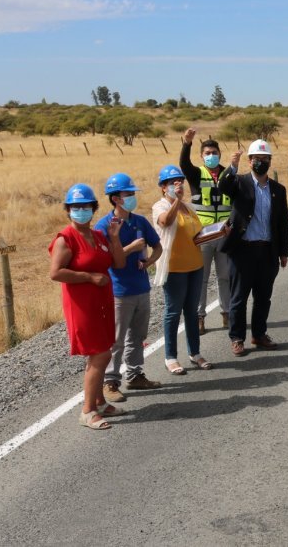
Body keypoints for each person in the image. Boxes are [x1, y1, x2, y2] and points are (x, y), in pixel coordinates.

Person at [48, 184, 126, 430]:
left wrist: (114, 238)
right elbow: (56, 273)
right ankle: (87, 410)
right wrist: (89, 278)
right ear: (68, 210)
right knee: (99, 354)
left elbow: (119, 263)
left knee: (105, 350)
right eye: (75, 207)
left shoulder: (100, 236)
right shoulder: (65, 239)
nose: (80, 211)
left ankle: (100, 402)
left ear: (93, 209)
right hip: (82, 305)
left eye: (85, 207)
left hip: (102, 301)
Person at [95, 173, 163, 404]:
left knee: (138, 335)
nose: (132, 197)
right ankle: (110, 381)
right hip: (119, 292)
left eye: (133, 193)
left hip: (141, 288)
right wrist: (130, 248)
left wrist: (150, 262)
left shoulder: (140, 221)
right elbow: (105, 261)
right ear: (115, 198)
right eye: (128, 194)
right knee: (116, 339)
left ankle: (134, 375)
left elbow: (158, 247)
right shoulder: (104, 226)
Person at [218, 139, 288, 356]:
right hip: (243, 250)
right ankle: (237, 338)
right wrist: (232, 167)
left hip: (267, 250)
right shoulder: (239, 182)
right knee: (239, 297)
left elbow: (283, 222)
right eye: (257, 159)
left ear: (270, 161)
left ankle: (259, 334)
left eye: (265, 159)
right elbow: (222, 186)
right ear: (249, 162)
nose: (261, 162)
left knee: (263, 297)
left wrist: (283, 252)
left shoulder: (278, 189)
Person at [151, 165, 213, 374]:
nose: (178, 185)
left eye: (180, 181)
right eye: (172, 183)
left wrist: (216, 232)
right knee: (173, 312)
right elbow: (166, 222)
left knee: (192, 312)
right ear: (163, 187)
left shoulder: (189, 207)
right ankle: (170, 357)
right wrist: (176, 200)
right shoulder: (159, 206)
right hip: (175, 268)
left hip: (195, 265)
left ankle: (195, 353)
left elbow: (197, 234)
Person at [179, 127, 232, 335]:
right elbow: (184, 164)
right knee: (201, 279)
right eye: (207, 153)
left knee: (225, 276)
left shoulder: (228, 174)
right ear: (202, 156)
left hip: (224, 234)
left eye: (214, 153)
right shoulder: (196, 174)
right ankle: (200, 318)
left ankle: (227, 314)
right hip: (202, 236)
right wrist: (187, 143)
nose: (211, 156)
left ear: (220, 154)